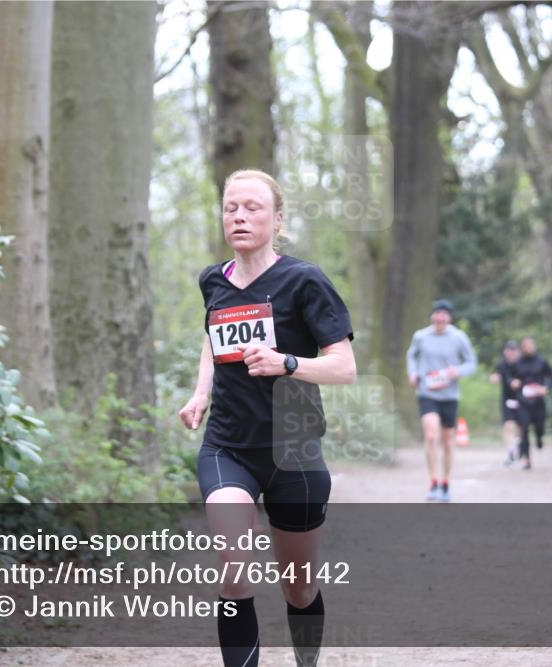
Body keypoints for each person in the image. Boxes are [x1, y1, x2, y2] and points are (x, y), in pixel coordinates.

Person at [178, 169, 356, 667]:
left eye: (252, 207)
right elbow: (213, 340)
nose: (239, 215)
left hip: (292, 450)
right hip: (228, 447)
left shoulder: (305, 281)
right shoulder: (213, 280)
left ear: (278, 219)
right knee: (233, 567)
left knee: (298, 588)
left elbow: (344, 368)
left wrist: (289, 363)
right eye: (231, 207)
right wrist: (200, 393)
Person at [406, 299, 477, 502]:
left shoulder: (458, 337)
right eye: (438, 313)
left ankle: (446, 482)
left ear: (449, 318)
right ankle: (433, 482)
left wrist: (458, 371)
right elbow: (411, 356)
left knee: (447, 441)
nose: (441, 317)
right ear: (433, 316)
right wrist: (412, 373)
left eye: (445, 314)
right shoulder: (421, 336)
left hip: (449, 395)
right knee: (430, 435)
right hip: (427, 392)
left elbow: (471, 362)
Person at [513, 336, 552, 470]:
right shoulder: (517, 363)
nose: (528, 348)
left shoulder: (541, 361)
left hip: (538, 401)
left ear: (534, 346)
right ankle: (527, 459)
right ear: (522, 348)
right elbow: (510, 377)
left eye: (530, 345)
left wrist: (546, 388)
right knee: (524, 429)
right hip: (523, 401)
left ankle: (539, 438)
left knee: (540, 426)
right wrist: (513, 382)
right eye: (525, 346)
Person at [490, 341, 522, 466]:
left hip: (522, 400)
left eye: (514, 350)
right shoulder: (502, 365)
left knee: (521, 428)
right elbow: (496, 374)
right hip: (507, 400)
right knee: (508, 426)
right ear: (505, 351)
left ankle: (520, 446)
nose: (511, 353)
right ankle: (511, 453)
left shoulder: (523, 364)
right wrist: (494, 378)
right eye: (509, 350)